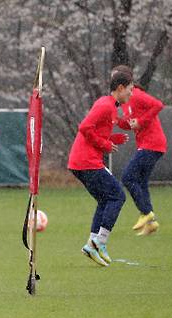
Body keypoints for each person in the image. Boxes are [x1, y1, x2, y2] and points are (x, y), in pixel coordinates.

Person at [68, 71, 132, 267]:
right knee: (118, 196)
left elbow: (96, 132)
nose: (131, 94)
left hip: (80, 162)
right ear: (120, 88)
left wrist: (112, 139)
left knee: (105, 200)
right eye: (130, 90)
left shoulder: (110, 105)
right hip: (86, 161)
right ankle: (99, 241)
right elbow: (84, 127)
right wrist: (105, 145)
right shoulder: (105, 106)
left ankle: (92, 244)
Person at [111, 65, 166, 236]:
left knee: (128, 177)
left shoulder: (137, 95)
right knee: (141, 182)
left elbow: (158, 105)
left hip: (152, 144)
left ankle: (146, 213)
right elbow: (130, 124)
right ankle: (151, 223)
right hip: (148, 144)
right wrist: (116, 121)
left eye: (115, 77)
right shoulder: (126, 102)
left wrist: (141, 121)